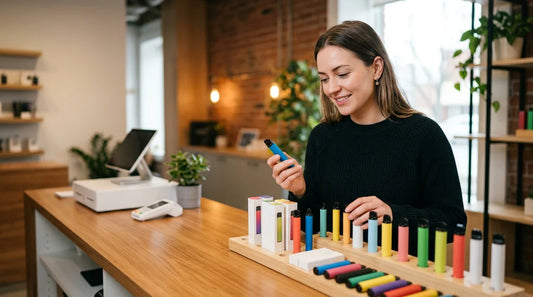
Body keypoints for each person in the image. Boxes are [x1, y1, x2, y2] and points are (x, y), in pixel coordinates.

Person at [266, 20, 466, 257]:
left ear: (376, 68)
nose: (331, 88)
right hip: (330, 271)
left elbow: (453, 222)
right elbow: (315, 224)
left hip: (397, 280)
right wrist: (300, 190)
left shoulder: (424, 134)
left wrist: (392, 214)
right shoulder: (322, 136)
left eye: (342, 74)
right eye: (324, 78)